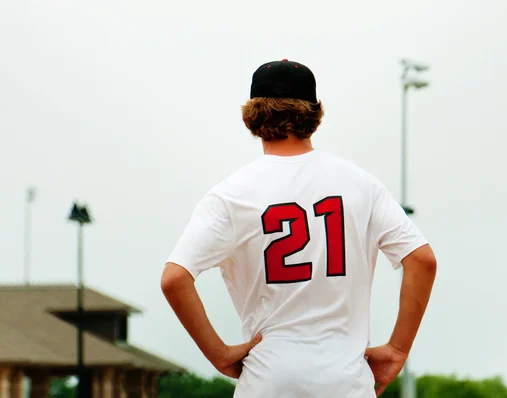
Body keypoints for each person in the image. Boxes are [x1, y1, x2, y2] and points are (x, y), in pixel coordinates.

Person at [161, 59, 437, 397]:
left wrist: (218, 354)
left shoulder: (230, 194)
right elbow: (422, 260)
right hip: (345, 378)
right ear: (315, 113)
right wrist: (397, 349)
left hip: (269, 377)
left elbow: (175, 278)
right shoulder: (360, 184)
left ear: (251, 114)